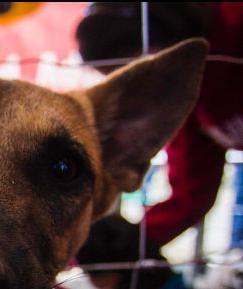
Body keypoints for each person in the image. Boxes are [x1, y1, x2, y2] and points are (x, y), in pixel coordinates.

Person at [76, 3, 243, 248]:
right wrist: (138, 240)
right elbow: (192, 188)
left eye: (134, 73)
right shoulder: (185, 95)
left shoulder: (233, 22)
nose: (137, 94)